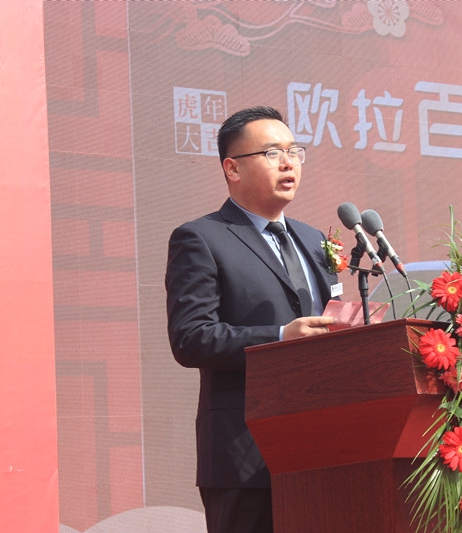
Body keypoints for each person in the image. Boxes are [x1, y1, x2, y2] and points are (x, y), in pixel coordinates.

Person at [165, 105, 338, 533]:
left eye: (294, 151)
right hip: (244, 453)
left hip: (323, 448)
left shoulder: (313, 240)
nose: (288, 162)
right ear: (233, 168)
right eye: (272, 153)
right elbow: (190, 337)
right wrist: (279, 337)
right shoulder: (201, 238)